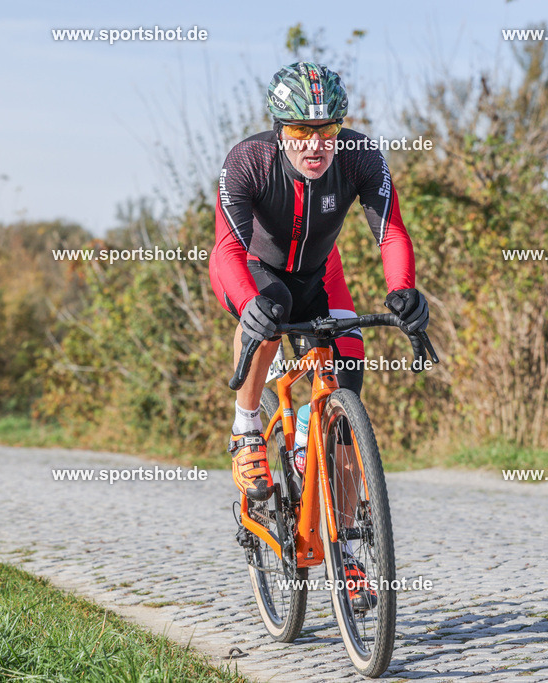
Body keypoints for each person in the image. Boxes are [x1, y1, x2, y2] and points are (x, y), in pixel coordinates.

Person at [209, 61, 428, 609]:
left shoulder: (359, 157)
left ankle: (348, 551)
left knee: (347, 383)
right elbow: (226, 250)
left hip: (320, 276)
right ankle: (247, 430)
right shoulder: (248, 161)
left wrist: (402, 290)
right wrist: (248, 303)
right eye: (302, 132)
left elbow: (390, 231)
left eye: (326, 131)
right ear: (280, 129)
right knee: (267, 314)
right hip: (257, 271)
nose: (315, 144)